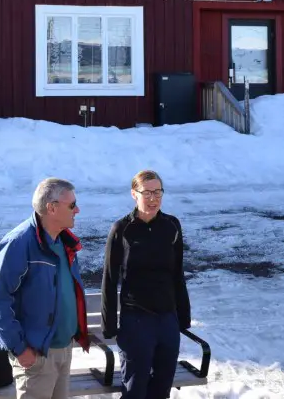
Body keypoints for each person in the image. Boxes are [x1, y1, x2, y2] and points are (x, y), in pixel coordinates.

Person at [0, 177, 90, 399]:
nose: (77, 210)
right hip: (37, 355)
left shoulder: (64, 242)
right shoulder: (19, 243)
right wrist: (19, 348)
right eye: (72, 205)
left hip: (63, 349)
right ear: (51, 208)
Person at [101, 170, 190, 399]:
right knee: (135, 390)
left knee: (161, 390)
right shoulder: (122, 229)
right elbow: (109, 280)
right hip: (136, 321)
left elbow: (177, 273)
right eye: (147, 192)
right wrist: (109, 324)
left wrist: (183, 316)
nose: (153, 198)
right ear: (134, 194)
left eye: (158, 192)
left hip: (167, 320)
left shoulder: (172, 226)